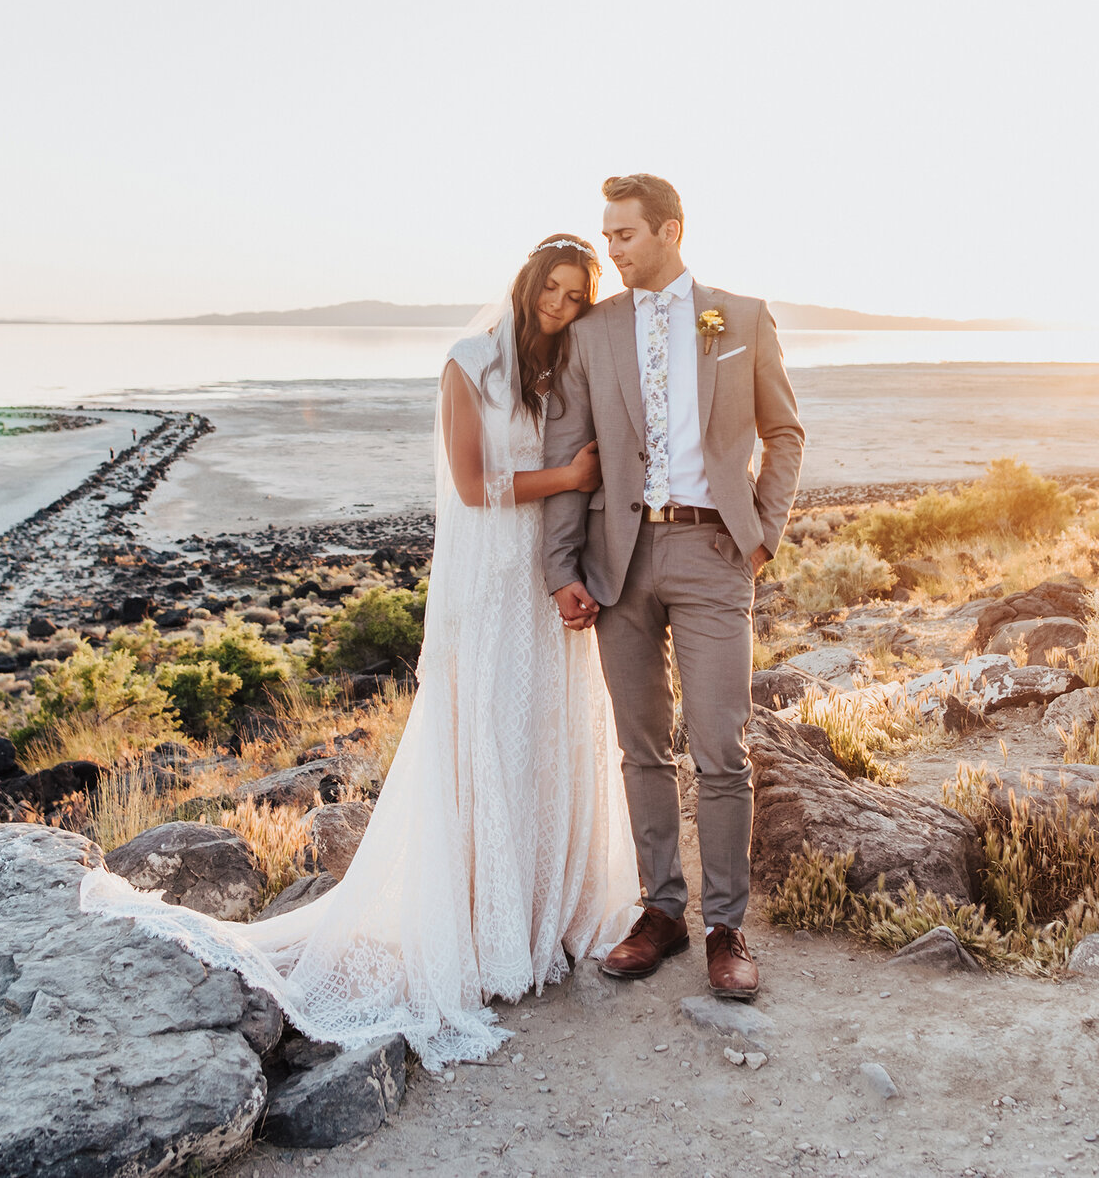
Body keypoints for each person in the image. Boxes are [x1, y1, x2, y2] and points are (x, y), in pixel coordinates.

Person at [81, 233, 639, 1067]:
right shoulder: (468, 362)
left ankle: (545, 913)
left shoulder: (565, 368)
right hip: (487, 576)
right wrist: (571, 479)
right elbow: (470, 482)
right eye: (550, 291)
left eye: (575, 297)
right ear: (526, 286)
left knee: (544, 739)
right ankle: (485, 931)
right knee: (484, 737)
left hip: (544, 573)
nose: (560, 307)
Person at [542, 173, 806, 1001]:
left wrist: (760, 535)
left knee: (720, 746)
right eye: (608, 234)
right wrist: (562, 569)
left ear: (670, 230)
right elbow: (568, 448)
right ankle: (662, 911)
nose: (611, 250)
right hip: (617, 560)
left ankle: (728, 926)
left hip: (711, 552)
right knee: (641, 746)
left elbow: (784, 430)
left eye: (624, 234)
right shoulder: (594, 330)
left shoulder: (743, 317)